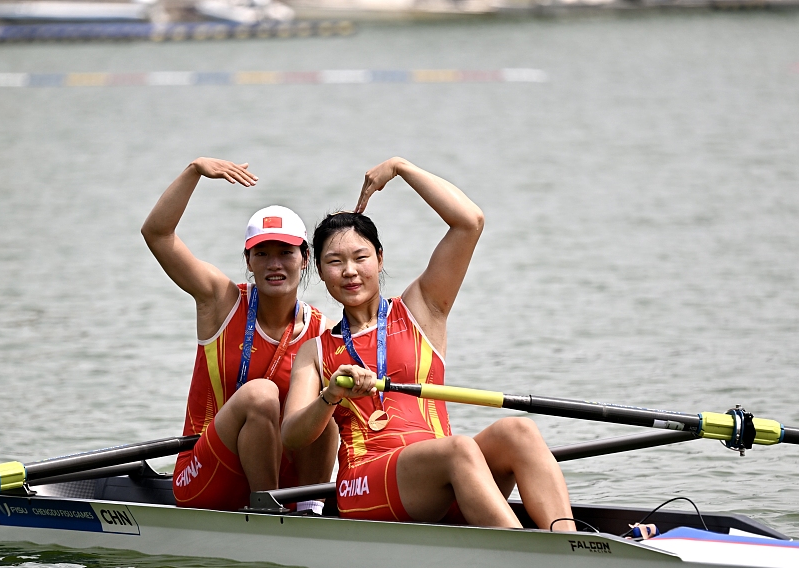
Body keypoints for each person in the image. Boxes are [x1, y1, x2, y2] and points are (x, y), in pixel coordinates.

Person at [281, 157, 575, 530]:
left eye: (360, 257)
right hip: (364, 483)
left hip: (442, 473)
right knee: (460, 449)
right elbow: (292, 434)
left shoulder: (422, 309)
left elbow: (470, 222)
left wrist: (402, 168)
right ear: (321, 274)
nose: (350, 271)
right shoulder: (316, 350)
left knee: (519, 431)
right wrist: (331, 395)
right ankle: (523, 550)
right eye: (335, 262)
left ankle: (569, 542)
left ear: (380, 258)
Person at [142, 156, 337, 513]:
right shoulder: (220, 300)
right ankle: (267, 512)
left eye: (285, 253)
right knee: (261, 394)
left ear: (305, 258)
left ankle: (310, 509)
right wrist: (194, 171)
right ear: (248, 262)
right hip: (205, 474)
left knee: (328, 400)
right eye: (261, 253)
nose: (274, 264)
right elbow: (156, 234)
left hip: (284, 476)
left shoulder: (321, 330)